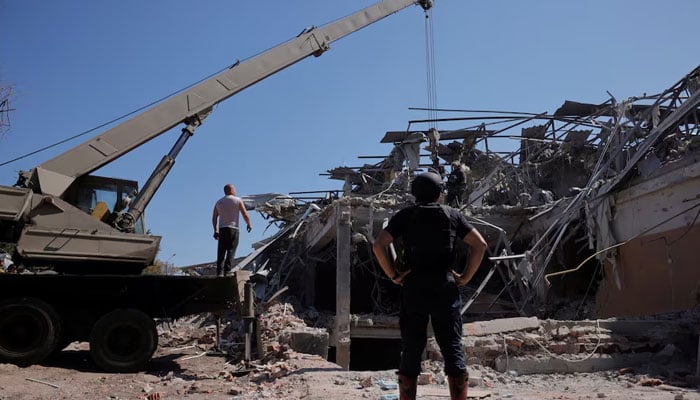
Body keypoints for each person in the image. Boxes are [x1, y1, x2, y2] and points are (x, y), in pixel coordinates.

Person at [372, 172, 487, 400]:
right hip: (445, 286)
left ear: (415, 194)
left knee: (412, 347)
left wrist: (394, 275)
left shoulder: (405, 215)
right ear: (439, 193)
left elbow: (379, 245)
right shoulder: (453, 215)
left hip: (414, 287)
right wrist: (464, 276)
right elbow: (480, 245)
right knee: (452, 345)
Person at [212, 183, 252, 277]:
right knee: (231, 250)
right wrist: (249, 224)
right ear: (231, 190)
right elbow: (245, 214)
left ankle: (219, 272)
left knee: (221, 251)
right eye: (234, 189)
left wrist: (215, 230)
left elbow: (214, 218)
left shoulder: (219, 202)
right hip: (233, 229)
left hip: (222, 229)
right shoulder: (238, 200)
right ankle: (227, 271)